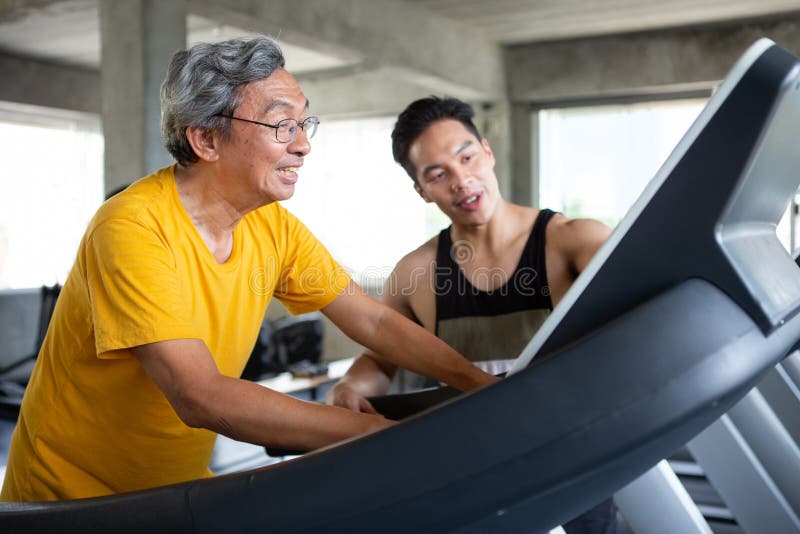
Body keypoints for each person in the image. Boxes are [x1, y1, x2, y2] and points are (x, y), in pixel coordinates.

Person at [0, 38, 496, 502]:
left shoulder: (272, 228)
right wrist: (377, 435)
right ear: (206, 140)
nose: (304, 145)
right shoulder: (132, 227)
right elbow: (199, 395)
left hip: (172, 490)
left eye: (305, 124)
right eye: (283, 126)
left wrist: (481, 387)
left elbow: (375, 322)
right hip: (67, 498)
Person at [327, 96, 616, 532]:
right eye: (438, 174)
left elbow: (638, 291)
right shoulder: (417, 272)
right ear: (421, 191)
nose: (462, 180)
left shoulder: (573, 241)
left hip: (572, 460)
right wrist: (351, 386)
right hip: (473, 469)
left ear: (487, 151)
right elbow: (381, 357)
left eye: (467, 157)